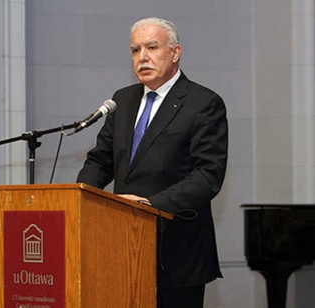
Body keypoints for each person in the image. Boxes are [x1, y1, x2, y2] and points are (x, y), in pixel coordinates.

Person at [77, 17, 228, 308]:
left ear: (175, 52)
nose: (142, 57)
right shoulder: (123, 100)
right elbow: (99, 160)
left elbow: (208, 176)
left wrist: (149, 205)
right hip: (121, 246)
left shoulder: (203, 103)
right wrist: (82, 198)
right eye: (135, 50)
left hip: (176, 253)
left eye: (152, 47)